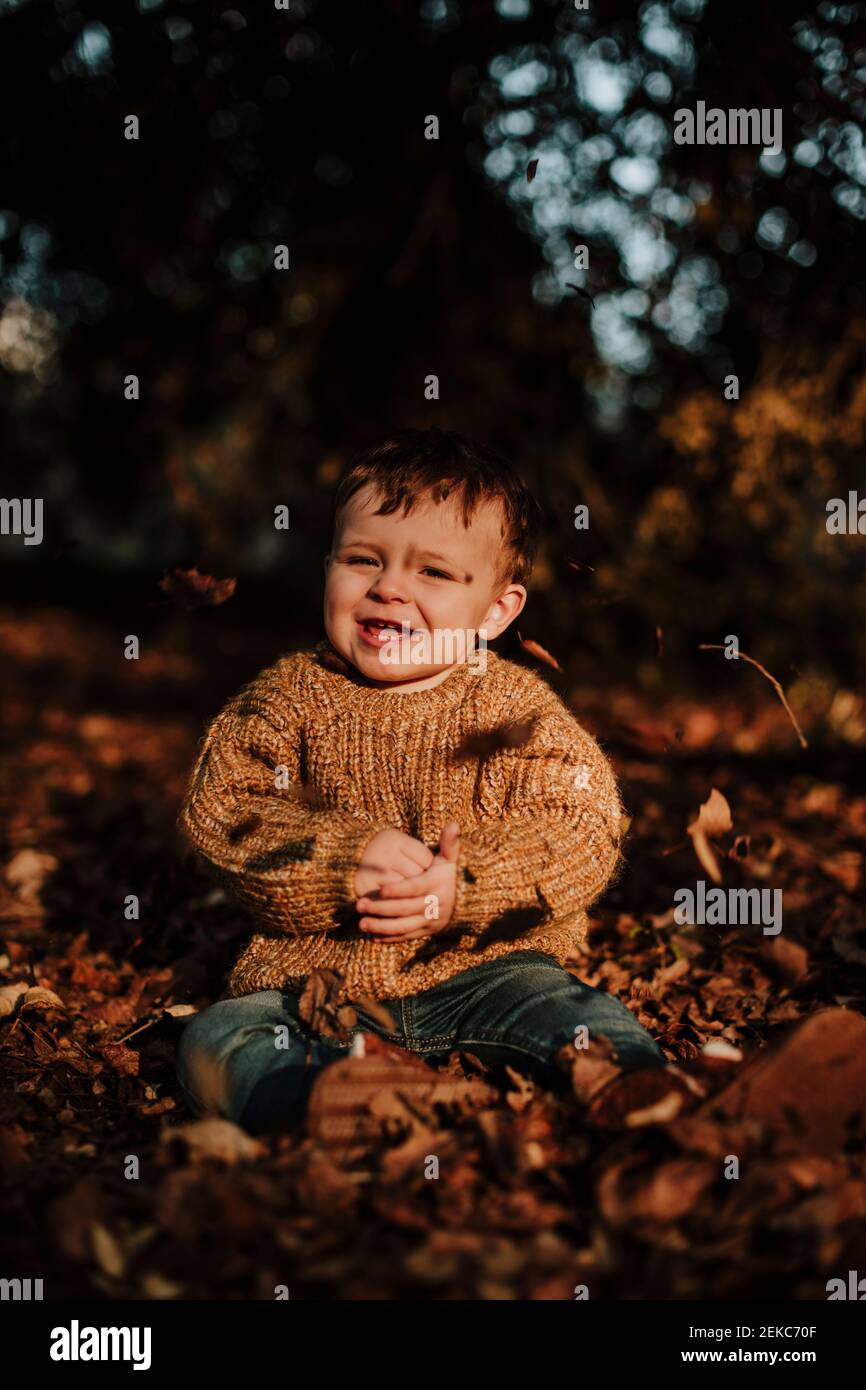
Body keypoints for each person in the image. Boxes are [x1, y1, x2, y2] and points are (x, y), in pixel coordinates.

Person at [175, 426, 666, 1135]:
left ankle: (648, 1105)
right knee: (217, 1038)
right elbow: (224, 811)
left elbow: (581, 829)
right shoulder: (287, 698)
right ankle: (324, 1106)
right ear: (328, 567)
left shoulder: (517, 712)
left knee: (581, 1018)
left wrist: (465, 887)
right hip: (314, 983)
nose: (389, 587)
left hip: (490, 969)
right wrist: (339, 859)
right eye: (362, 558)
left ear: (497, 611)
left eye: (432, 572)